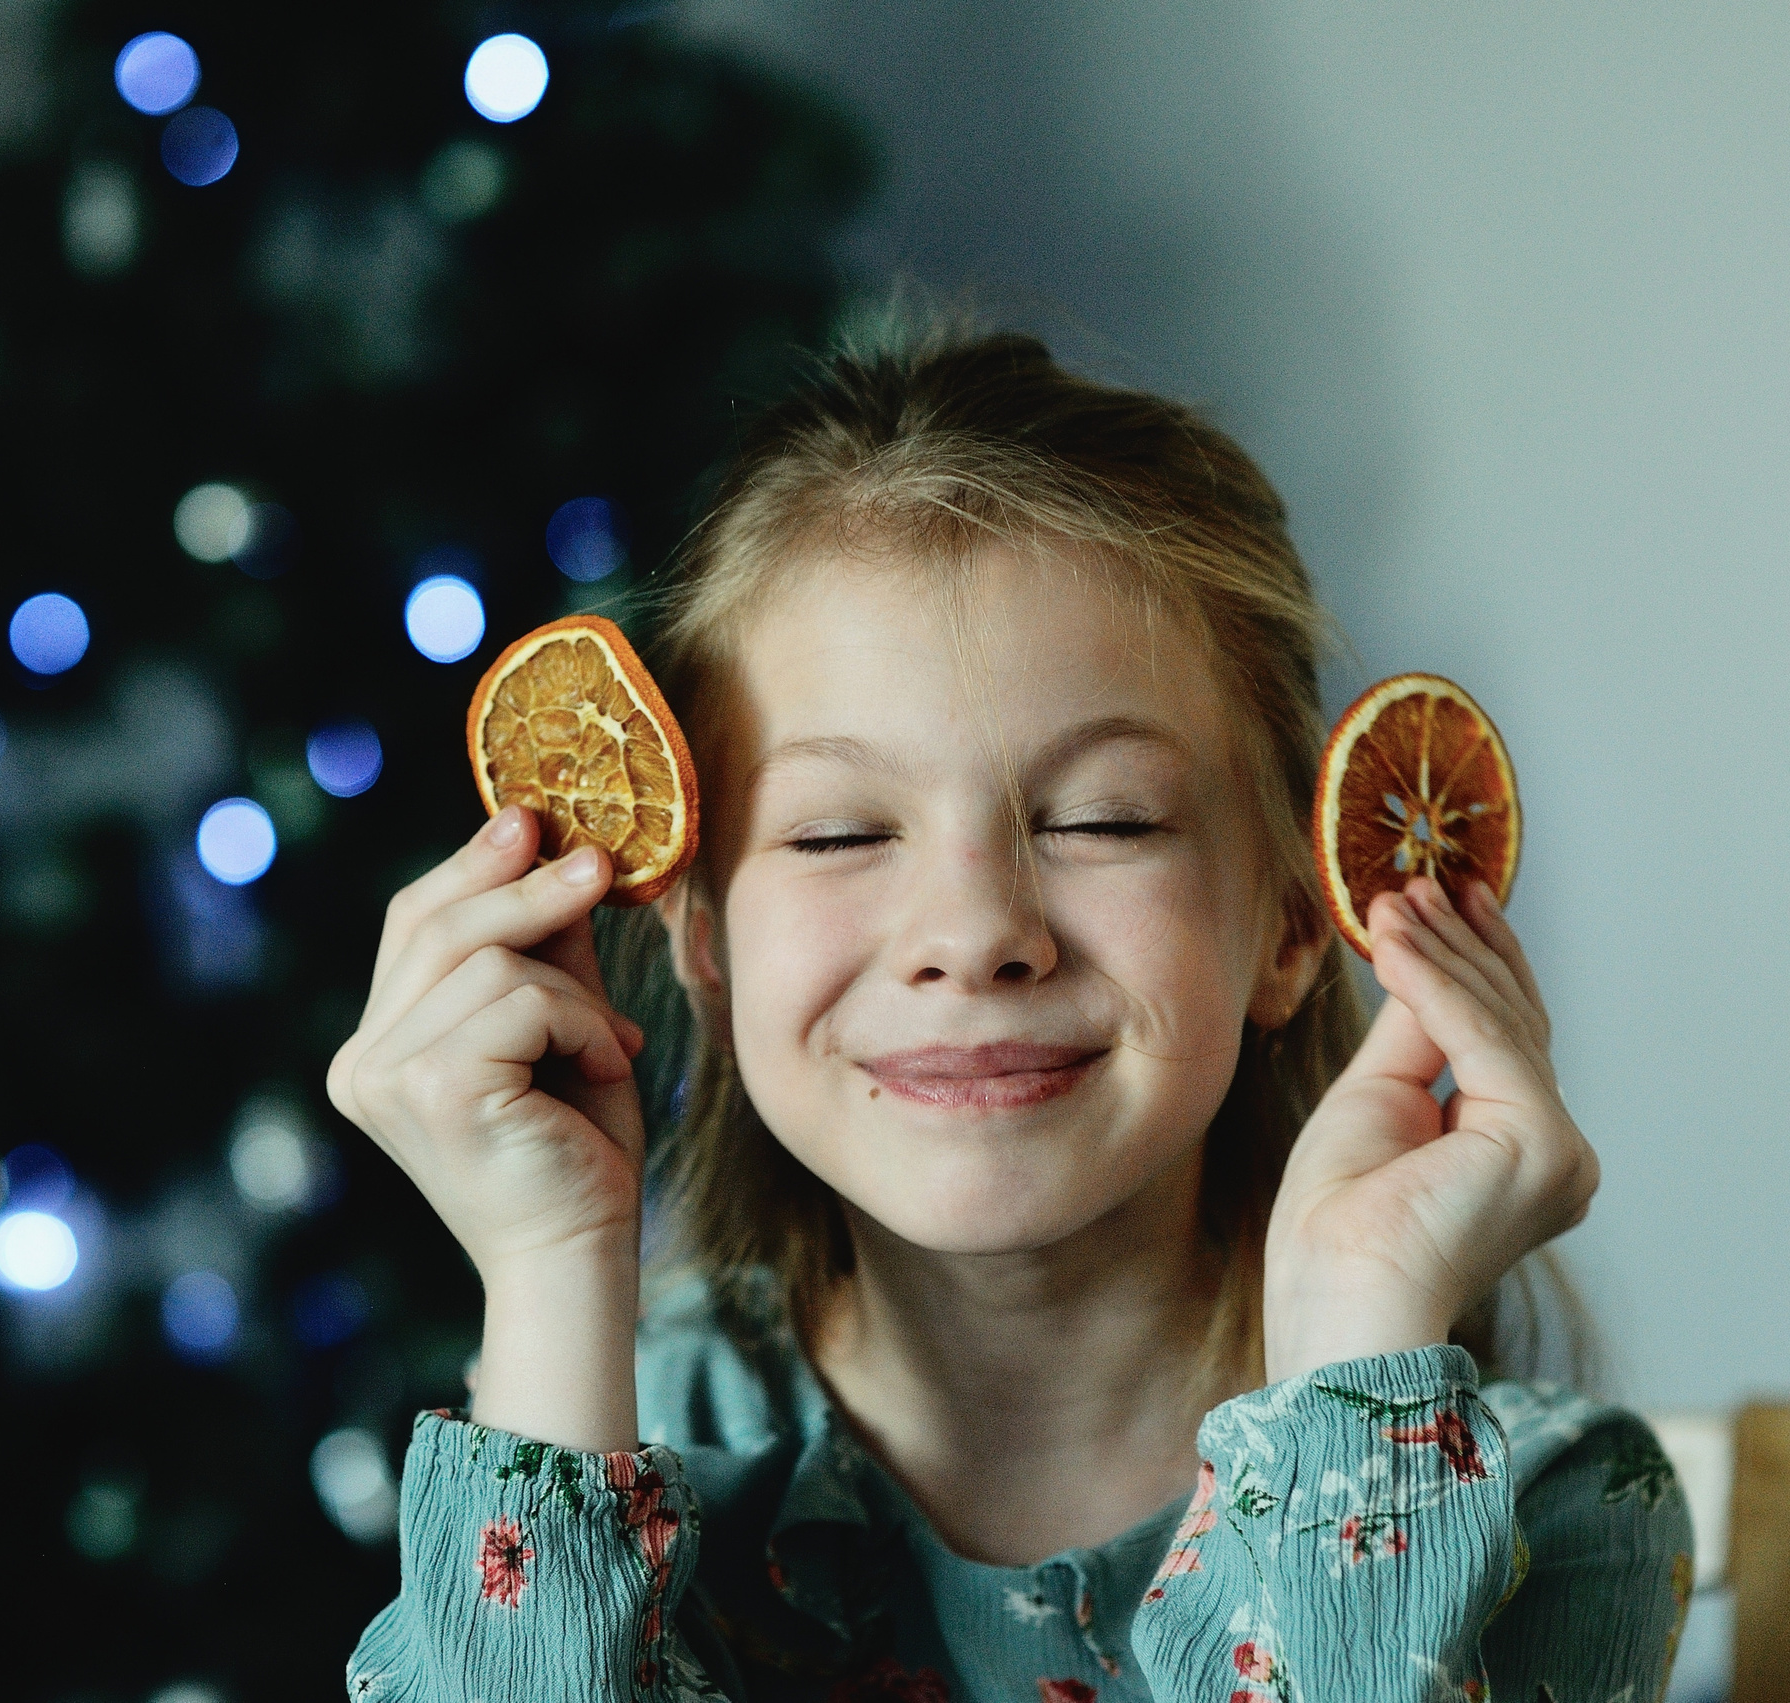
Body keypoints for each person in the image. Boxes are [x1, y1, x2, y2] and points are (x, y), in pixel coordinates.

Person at [326, 327, 1693, 1701]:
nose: (975, 934)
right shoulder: (617, 1431)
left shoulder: (1551, 1510)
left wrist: (1360, 1345)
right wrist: (553, 1269)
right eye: (840, 832)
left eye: (1103, 819)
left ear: (1287, 925)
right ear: (704, 944)